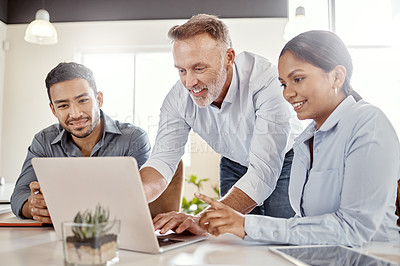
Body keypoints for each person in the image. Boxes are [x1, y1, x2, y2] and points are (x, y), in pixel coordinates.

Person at [195, 30, 400, 247]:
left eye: (298, 79)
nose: (287, 93)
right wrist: (228, 224)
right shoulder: (306, 138)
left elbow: (353, 228)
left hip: (372, 257)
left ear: (337, 76)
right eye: (283, 84)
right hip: (323, 257)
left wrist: (247, 225)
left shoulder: (368, 124)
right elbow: (305, 226)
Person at [145, 14, 302, 234]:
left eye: (199, 69)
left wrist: (200, 220)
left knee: (281, 236)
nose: (189, 83)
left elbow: (263, 171)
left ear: (229, 57)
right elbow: (162, 160)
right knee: (231, 239)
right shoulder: (178, 98)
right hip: (234, 162)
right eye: (181, 70)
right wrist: (133, 196)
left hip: (286, 161)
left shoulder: (267, 82)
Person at [10, 62, 152, 224]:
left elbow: (141, 199)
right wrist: (34, 208)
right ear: (53, 109)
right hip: (56, 237)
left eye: (83, 100)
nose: (75, 114)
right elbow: (19, 194)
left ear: (99, 99)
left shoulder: (133, 139)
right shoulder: (43, 141)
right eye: (63, 105)